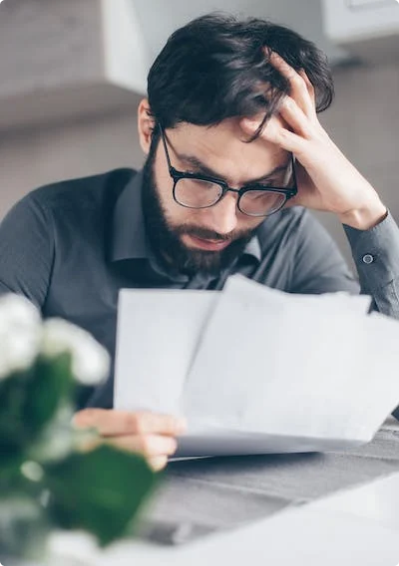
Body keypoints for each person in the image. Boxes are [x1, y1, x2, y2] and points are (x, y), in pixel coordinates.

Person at [1, 14, 398, 471]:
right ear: (150, 128)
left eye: (260, 188)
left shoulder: (286, 236)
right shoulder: (47, 226)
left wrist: (365, 213)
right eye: (198, 179)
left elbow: (388, 393)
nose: (224, 222)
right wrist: (60, 444)